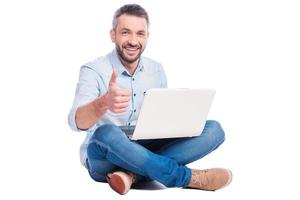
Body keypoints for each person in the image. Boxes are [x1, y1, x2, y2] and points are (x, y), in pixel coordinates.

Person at [68, 4, 232, 195]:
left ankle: (131, 174)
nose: (133, 41)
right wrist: (104, 102)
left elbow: (162, 119)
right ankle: (189, 178)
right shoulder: (93, 70)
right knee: (106, 132)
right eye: (125, 33)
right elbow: (75, 122)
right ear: (113, 35)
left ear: (147, 37)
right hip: (105, 153)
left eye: (140, 34)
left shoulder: (157, 70)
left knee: (214, 130)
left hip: (145, 144)